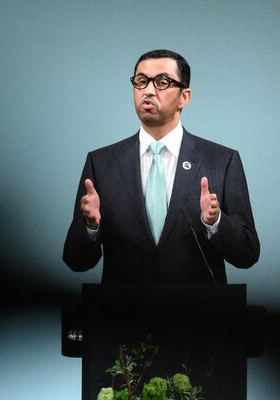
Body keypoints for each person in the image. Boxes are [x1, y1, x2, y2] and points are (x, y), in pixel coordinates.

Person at [63, 49, 259, 283]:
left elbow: (247, 254)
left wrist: (215, 222)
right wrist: (91, 225)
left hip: (198, 314)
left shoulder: (222, 161)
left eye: (162, 82)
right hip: (122, 314)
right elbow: (75, 260)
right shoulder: (101, 163)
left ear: (184, 97)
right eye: (141, 81)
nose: (148, 90)